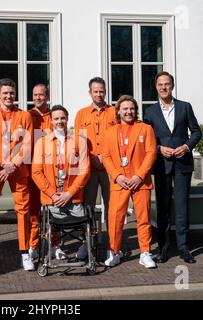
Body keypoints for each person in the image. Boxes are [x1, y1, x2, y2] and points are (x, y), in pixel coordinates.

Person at [143, 71, 202, 264]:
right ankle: (164, 247)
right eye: (160, 84)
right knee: (163, 207)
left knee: (182, 206)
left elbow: (196, 132)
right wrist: (159, 149)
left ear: (172, 85)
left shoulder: (185, 107)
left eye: (167, 84)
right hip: (161, 164)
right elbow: (147, 140)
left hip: (183, 163)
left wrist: (186, 146)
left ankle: (184, 248)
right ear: (156, 87)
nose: (163, 87)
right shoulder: (150, 112)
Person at [0, 78, 34, 272]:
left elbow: (28, 145)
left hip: (18, 170)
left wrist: (12, 165)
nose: (9, 96)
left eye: (11, 93)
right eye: (5, 93)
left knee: (23, 212)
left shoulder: (24, 115)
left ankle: (25, 253)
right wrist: (2, 164)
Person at [102, 95, 157, 269]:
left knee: (144, 218)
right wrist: (117, 176)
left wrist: (139, 175)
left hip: (140, 181)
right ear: (118, 111)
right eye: (125, 108)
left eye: (131, 108)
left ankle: (145, 252)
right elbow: (106, 156)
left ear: (136, 110)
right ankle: (114, 252)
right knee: (115, 218)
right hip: (120, 181)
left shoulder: (145, 128)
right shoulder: (110, 132)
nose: (128, 111)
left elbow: (151, 153)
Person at [32, 105, 89, 258]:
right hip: (52, 197)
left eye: (62, 118)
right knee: (51, 222)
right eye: (56, 118)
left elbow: (84, 170)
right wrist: (53, 194)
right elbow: (36, 172)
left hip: (74, 195)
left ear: (67, 119)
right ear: (50, 121)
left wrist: (69, 194)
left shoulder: (79, 142)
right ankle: (54, 246)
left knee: (82, 223)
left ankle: (84, 246)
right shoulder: (41, 143)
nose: (60, 121)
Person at [74, 77, 117, 259]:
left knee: (112, 208)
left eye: (102, 91)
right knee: (88, 207)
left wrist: (104, 157)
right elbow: (78, 141)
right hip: (89, 169)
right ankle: (88, 243)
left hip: (110, 169)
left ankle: (113, 244)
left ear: (105, 92)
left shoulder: (115, 112)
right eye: (95, 91)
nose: (99, 94)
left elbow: (118, 138)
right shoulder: (82, 114)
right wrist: (92, 158)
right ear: (90, 92)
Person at [27, 84, 53, 260]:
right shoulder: (27, 116)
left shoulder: (55, 116)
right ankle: (33, 245)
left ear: (47, 96)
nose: (38, 98)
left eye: (41, 95)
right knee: (34, 210)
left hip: (52, 169)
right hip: (32, 169)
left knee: (54, 209)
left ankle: (55, 243)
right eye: (35, 95)